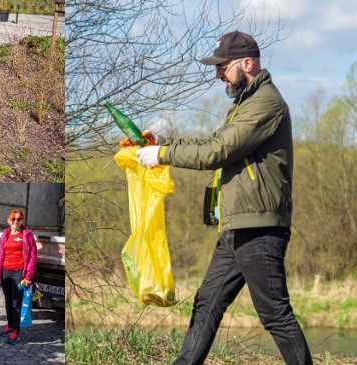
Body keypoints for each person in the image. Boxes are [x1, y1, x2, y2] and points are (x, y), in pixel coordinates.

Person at [133, 31, 313, 365]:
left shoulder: (266, 103)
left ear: (248, 63)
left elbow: (218, 151)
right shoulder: (246, 104)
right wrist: (159, 145)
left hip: (258, 227)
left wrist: (163, 155)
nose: (218, 74)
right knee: (206, 304)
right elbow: (213, 142)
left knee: (275, 314)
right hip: (237, 224)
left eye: (223, 67)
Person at [0, 209, 37, 345]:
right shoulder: (5, 234)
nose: (16, 222)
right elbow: (0, 255)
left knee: (16, 302)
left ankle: (16, 331)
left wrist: (29, 276)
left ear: (22, 220)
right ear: (9, 220)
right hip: (6, 271)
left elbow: (33, 256)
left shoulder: (27, 234)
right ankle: (10, 325)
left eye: (19, 219)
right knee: (7, 300)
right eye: (13, 219)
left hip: (19, 272)